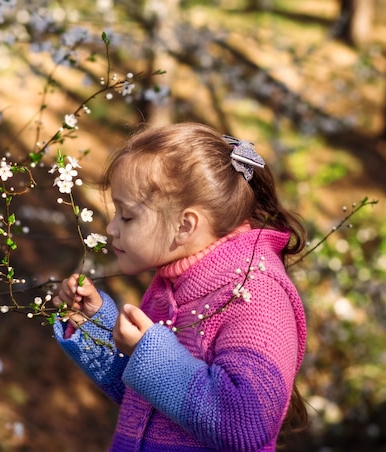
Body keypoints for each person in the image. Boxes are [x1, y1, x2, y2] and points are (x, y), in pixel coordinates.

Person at [52, 122, 307, 451]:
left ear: (185, 225)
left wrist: (149, 352)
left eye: (127, 217)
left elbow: (245, 422)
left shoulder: (256, 294)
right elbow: (149, 396)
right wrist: (96, 324)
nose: (111, 228)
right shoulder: (172, 283)